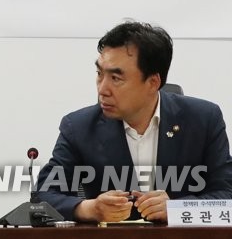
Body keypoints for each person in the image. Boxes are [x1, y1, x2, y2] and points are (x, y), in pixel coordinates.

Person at [39, 21, 232, 223]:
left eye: (116, 78)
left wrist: (178, 209)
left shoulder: (203, 120)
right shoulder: (79, 127)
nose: (102, 89)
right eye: (99, 74)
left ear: (153, 82)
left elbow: (227, 194)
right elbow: (43, 195)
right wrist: (90, 209)